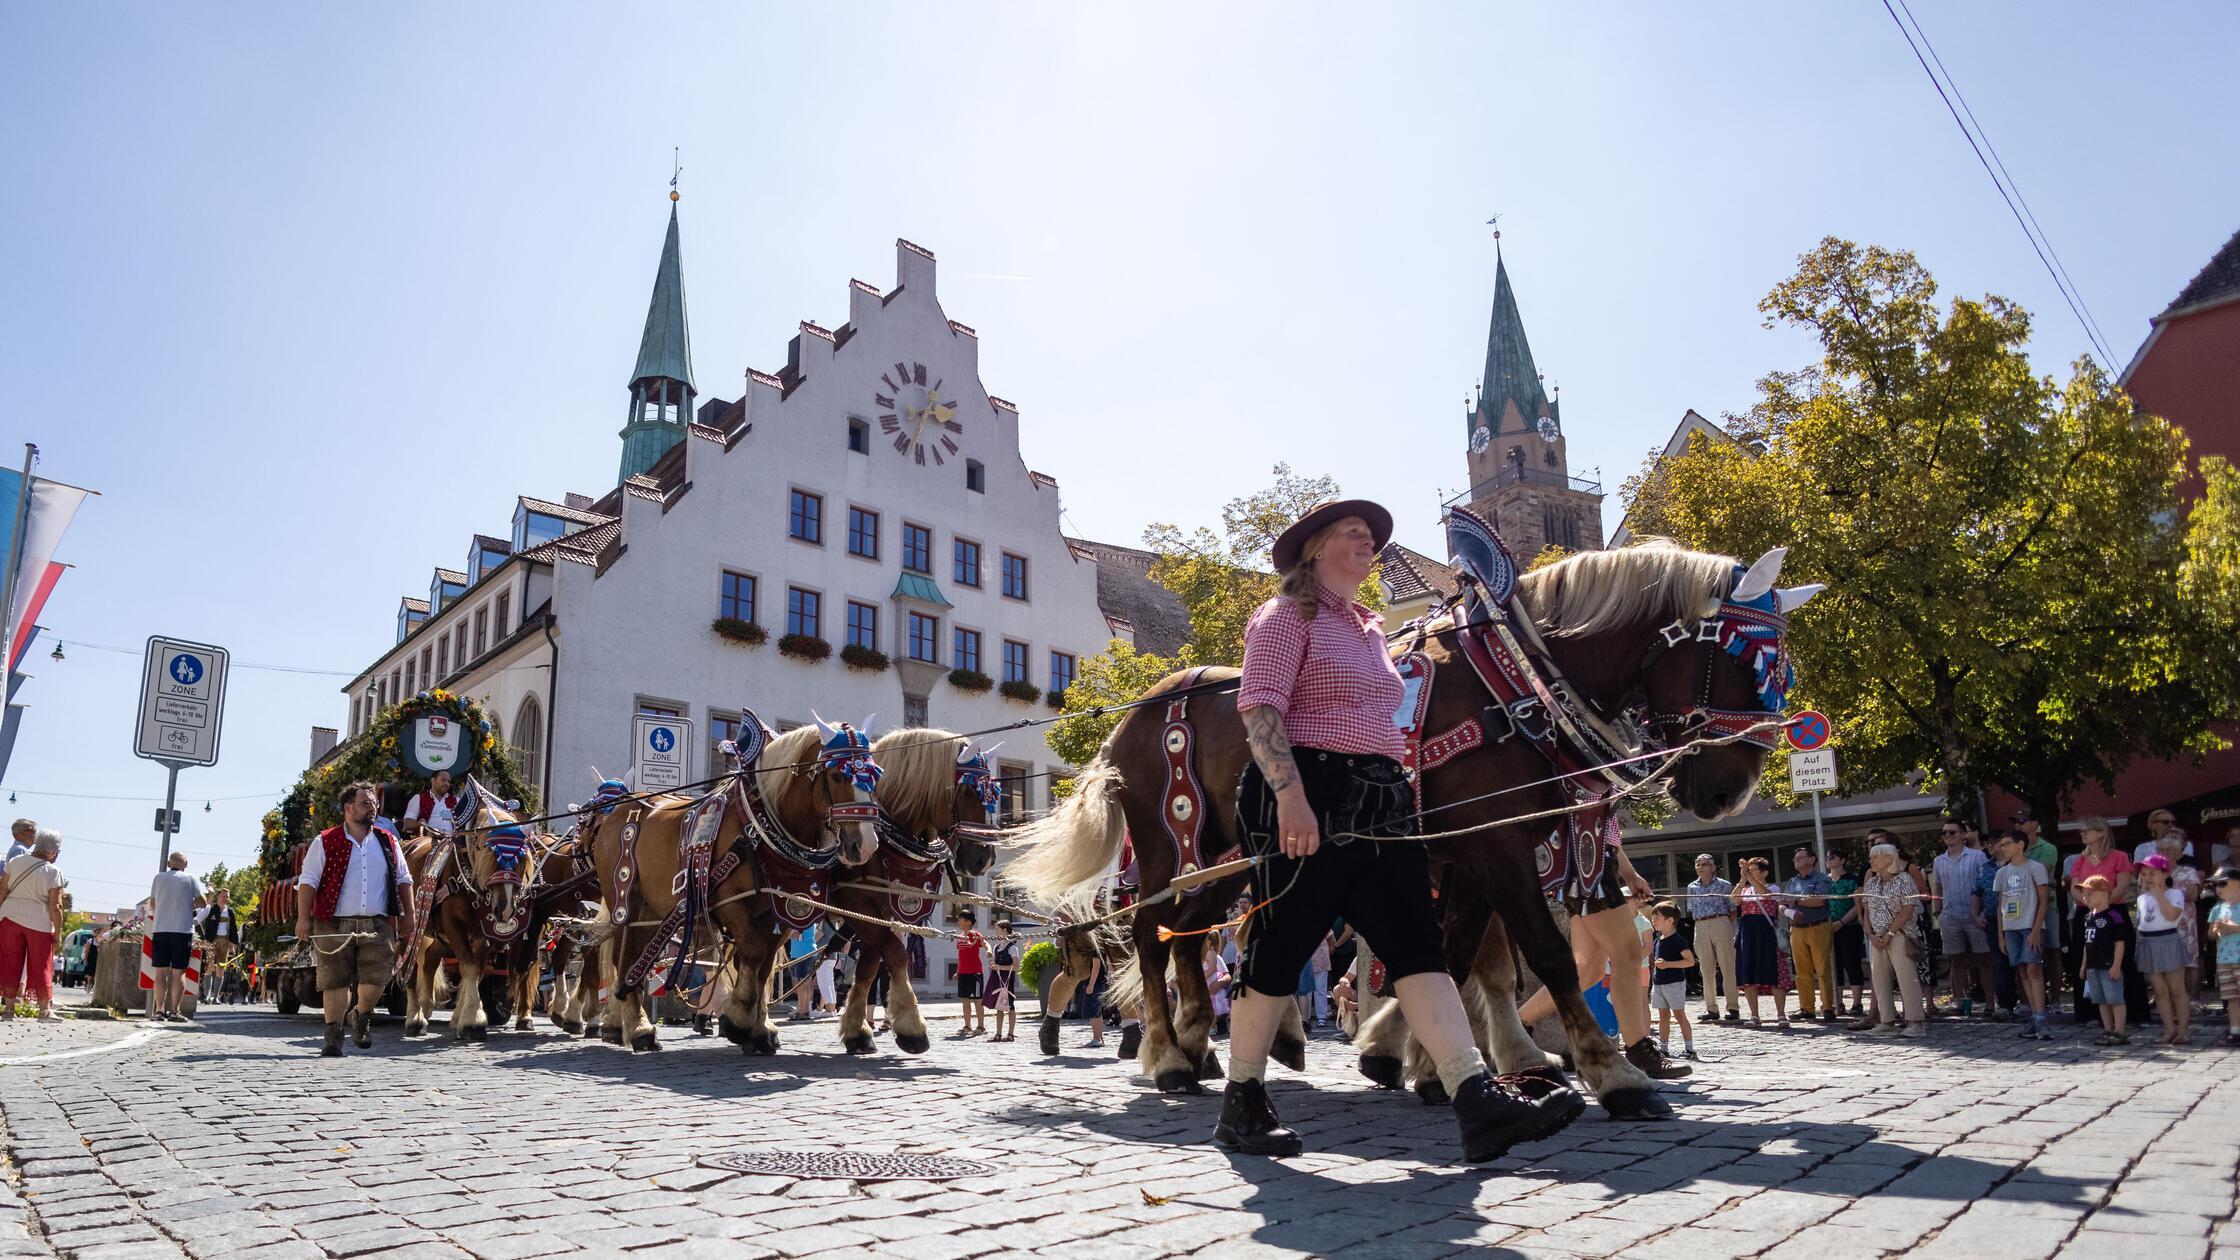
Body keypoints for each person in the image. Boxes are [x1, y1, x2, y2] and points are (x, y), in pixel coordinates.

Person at [1219, 499, 1558, 1162]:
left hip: (1381, 795)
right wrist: (1291, 799)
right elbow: (1260, 706)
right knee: (1280, 950)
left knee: (1418, 947)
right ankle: (1242, 1098)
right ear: (1314, 547)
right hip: (1308, 787)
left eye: (1372, 536)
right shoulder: (1288, 615)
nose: (1367, 542)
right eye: (1353, 533)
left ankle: (1474, 1095)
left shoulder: (1372, 630)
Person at [294, 780, 414, 1056]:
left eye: (374, 804)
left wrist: (409, 914)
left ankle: (360, 1014)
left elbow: (403, 879)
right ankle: (333, 1037)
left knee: (376, 981)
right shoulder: (325, 841)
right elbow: (308, 881)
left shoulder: (387, 840)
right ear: (348, 808)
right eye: (366, 803)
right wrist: (303, 919)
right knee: (334, 981)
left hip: (376, 923)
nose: (372, 808)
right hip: (333, 923)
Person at [1860, 842, 1926, 1037]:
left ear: (1889, 858)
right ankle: (1886, 1020)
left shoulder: (1904, 880)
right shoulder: (1871, 882)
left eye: (1875, 856)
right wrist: (1870, 933)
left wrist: (1889, 933)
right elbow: (1866, 910)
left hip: (1899, 935)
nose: (1871, 860)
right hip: (1876, 938)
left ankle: (1915, 1021)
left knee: (1907, 979)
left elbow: (1907, 909)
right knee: (1879, 980)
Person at [1991, 830, 2052, 1040]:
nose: (2003, 848)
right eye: (2002, 844)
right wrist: (2000, 935)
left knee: (2034, 967)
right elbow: (2001, 906)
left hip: (2030, 925)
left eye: (2007, 843)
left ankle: (2042, 1018)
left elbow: (2044, 900)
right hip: (2011, 927)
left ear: (2020, 845)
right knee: (2022, 971)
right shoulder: (2002, 873)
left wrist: (2036, 929)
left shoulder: (2035, 868)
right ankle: (2034, 1016)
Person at [0, 829, 67, 1021]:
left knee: (10, 962)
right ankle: (44, 1011)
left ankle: (8, 1010)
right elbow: (56, 906)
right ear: (54, 851)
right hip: (39, 922)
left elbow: (2, 890)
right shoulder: (54, 872)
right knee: (41, 965)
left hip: (10, 917)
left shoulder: (14, 862)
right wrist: (58, 931)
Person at [1930, 820, 1995, 1018]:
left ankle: (1990, 1003)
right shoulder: (1939, 860)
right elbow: (1937, 887)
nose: (1948, 836)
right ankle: (1960, 1002)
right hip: (1950, 916)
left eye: (1952, 832)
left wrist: (1982, 913)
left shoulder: (1977, 856)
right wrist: (1937, 911)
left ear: (1962, 835)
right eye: (1944, 832)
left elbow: (1986, 884)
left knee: (1983, 960)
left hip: (1974, 915)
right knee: (1956, 961)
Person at [2134, 855, 2191, 1045]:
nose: (2147, 877)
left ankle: (2183, 1031)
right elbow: (2142, 922)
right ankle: (2169, 1029)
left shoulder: (2174, 894)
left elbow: (2172, 915)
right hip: (2148, 944)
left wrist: (2159, 895)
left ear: (2165, 874)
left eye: (2152, 873)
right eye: (2144, 874)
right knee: (2159, 991)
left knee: (2176, 989)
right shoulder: (2142, 898)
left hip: (2168, 942)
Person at [147, 852, 206, 1023]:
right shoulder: (190, 878)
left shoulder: (158, 878)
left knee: (160, 973)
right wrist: (189, 902)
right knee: (178, 973)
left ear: (168, 863)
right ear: (185, 864)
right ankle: (174, 1011)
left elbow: (152, 905)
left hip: (160, 929)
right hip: (182, 930)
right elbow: (203, 903)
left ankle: (158, 1011)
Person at [2015, 812, 2065, 1007]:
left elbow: (2039, 874)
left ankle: (2056, 999)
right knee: (2024, 955)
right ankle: (2030, 1001)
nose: (2018, 825)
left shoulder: (2048, 848)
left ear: (2035, 823)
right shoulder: (2016, 848)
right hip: (2021, 909)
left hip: (2047, 905)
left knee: (2052, 951)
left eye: (2022, 821)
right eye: (2016, 822)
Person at [2075, 875, 2132, 1045]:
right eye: (2084, 894)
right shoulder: (2087, 918)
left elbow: (2119, 943)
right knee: (2100, 1000)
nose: (2085, 897)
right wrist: (2084, 964)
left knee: (2115, 999)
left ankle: (2119, 1031)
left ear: (2104, 894)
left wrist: (2116, 965)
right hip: (2093, 965)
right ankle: (2108, 1030)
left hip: (2108, 965)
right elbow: (2087, 943)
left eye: (2090, 893)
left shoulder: (2114, 916)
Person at [1731, 858, 1786, 1026]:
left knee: (1774, 971)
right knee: (1748, 972)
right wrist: (1742, 879)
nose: (1751, 872)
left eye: (1754, 870)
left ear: (1764, 872)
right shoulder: (1746, 889)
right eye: (1750, 870)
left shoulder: (1773, 888)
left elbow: (1765, 895)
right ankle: (1754, 1015)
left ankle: (1781, 1015)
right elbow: (1734, 900)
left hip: (1766, 932)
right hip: (1747, 932)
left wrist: (1750, 877)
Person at [1781, 849, 1835, 1021]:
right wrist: (1788, 911)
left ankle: (1827, 1007)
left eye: (1801, 857)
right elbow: (1782, 903)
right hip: (1796, 929)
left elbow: (1819, 900)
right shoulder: (1792, 881)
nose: (1796, 859)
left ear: (1812, 859)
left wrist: (1795, 900)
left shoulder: (1821, 879)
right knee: (1801, 971)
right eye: (1795, 857)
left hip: (1818, 927)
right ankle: (1806, 1008)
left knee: (1822, 969)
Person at [1685, 855, 1740, 1022]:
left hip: (1721, 921)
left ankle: (1732, 1007)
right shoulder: (1692, 887)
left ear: (1713, 867)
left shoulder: (1724, 885)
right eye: (1698, 864)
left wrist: (1724, 925)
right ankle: (1711, 1008)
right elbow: (1690, 908)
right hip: (1700, 925)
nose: (1701, 867)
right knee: (1706, 969)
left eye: (1705, 864)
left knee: (1727, 966)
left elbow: (1732, 909)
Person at [2154, 832, 2203, 1003]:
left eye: (2170, 849)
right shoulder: (2152, 872)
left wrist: (2164, 892)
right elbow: (2144, 893)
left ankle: (2191, 999)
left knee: (2189, 961)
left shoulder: (2188, 871)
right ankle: (2164, 998)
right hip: (2160, 922)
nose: (2166, 852)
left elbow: (2193, 895)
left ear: (2178, 852)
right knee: (2162, 961)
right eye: (2162, 849)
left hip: (2184, 922)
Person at [1647, 903, 1697, 1061]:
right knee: (1663, 1015)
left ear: (1670, 921)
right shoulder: (1658, 940)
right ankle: (1663, 1049)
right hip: (1659, 983)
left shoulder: (1678, 940)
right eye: (1652, 918)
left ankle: (1689, 1049)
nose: (1653, 920)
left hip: (1674, 983)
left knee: (1679, 1015)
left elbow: (1690, 961)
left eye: (1657, 918)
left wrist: (1668, 964)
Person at [1826, 851, 1867, 1018]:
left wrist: (1842, 922)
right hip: (1828, 927)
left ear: (1843, 860)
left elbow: (1858, 904)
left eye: (1833, 857)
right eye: (1827, 857)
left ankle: (1857, 1003)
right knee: (1834, 965)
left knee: (1852, 963)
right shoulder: (1824, 881)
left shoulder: (1853, 879)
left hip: (1849, 926)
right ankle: (1838, 1002)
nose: (1829, 859)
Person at [2207, 867, 2240, 1047]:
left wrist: (2233, 928)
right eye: (2215, 884)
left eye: (2222, 883)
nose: (2218, 888)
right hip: (2224, 960)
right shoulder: (2217, 909)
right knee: (2231, 998)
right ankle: (2235, 1031)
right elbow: (2211, 935)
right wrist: (2216, 930)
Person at [196, 887, 241, 1002]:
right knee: (209, 966)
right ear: (218, 897)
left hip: (224, 941)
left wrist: (233, 944)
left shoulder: (230, 911)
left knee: (221, 968)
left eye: (227, 897)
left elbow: (233, 928)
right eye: (223, 896)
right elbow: (199, 918)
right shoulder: (211, 909)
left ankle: (215, 997)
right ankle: (207, 995)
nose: (225, 899)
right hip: (211, 941)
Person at [985, 920, 1020, 1042]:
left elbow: (1016, 966)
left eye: (997, 929)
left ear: (1005, 930)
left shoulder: (1012, 948)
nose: (995, 931)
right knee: (999, 1006)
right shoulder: (997, 947)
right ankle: (998, 1034)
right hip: (997, 979)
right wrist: (992, 964)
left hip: (1007, 980)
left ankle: (1010, 1034)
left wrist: (1000, 967)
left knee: (1010, 1006)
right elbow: (994, 961)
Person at [402, 770, 460, 836]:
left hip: (452, 841)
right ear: (433, 780)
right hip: (428, 841)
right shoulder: (418, 798)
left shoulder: (456, 800)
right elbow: (408, 821)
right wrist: (419, 824)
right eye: (443, 780)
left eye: (448, 781)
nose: (446, 783)